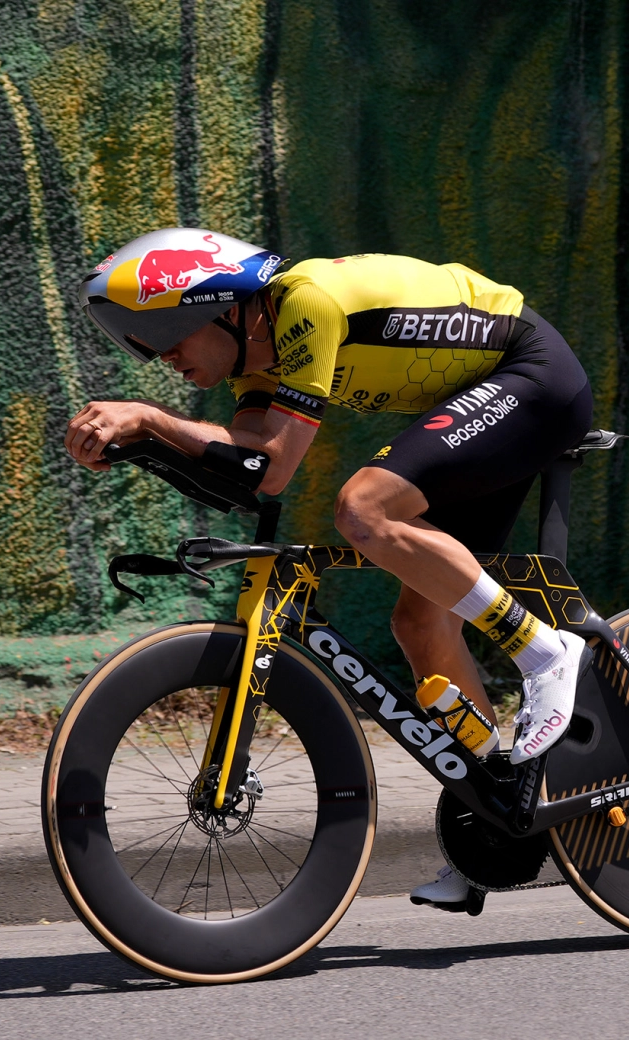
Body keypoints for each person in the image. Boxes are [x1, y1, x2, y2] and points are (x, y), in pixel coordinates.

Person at [67, 228, 593, 912]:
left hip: (531, 376)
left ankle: (543, 652)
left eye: (168, 333)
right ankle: (495, 814)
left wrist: (148, 418)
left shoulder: (303, 303)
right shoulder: (260, 363)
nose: (162, 356)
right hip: (479, 401)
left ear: (221, 306)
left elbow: (275, 461)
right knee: (420, 624)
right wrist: (141, 444)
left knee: (363, 508)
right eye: (146, 344)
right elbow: (251, 473)